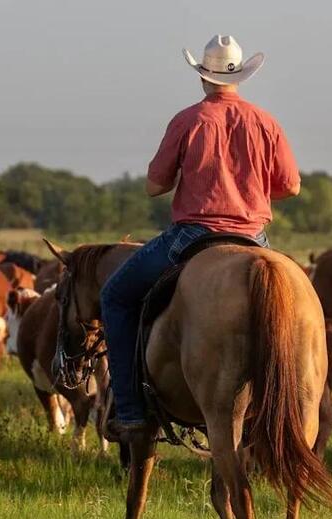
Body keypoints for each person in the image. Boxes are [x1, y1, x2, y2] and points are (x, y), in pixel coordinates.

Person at [102, 34, 301, 438]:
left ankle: (130, 411)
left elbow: (154, 186)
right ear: (240, 77)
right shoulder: (266, 122)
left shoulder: (188, 120)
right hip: (254, 237)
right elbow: (291, 187)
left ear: (202, 77)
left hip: (193, 235)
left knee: (115, 297)